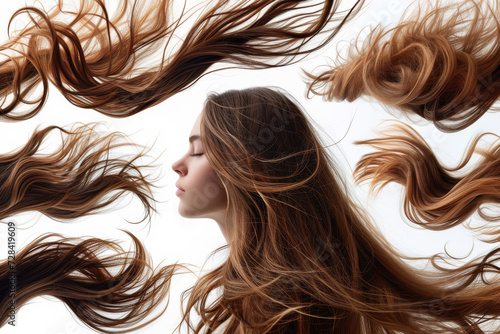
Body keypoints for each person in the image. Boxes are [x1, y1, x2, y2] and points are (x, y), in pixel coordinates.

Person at [169, 87, 500, 333]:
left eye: (198, 151)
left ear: (247, 165)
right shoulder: (266, 292)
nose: (177, 164)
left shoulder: (283, 304)